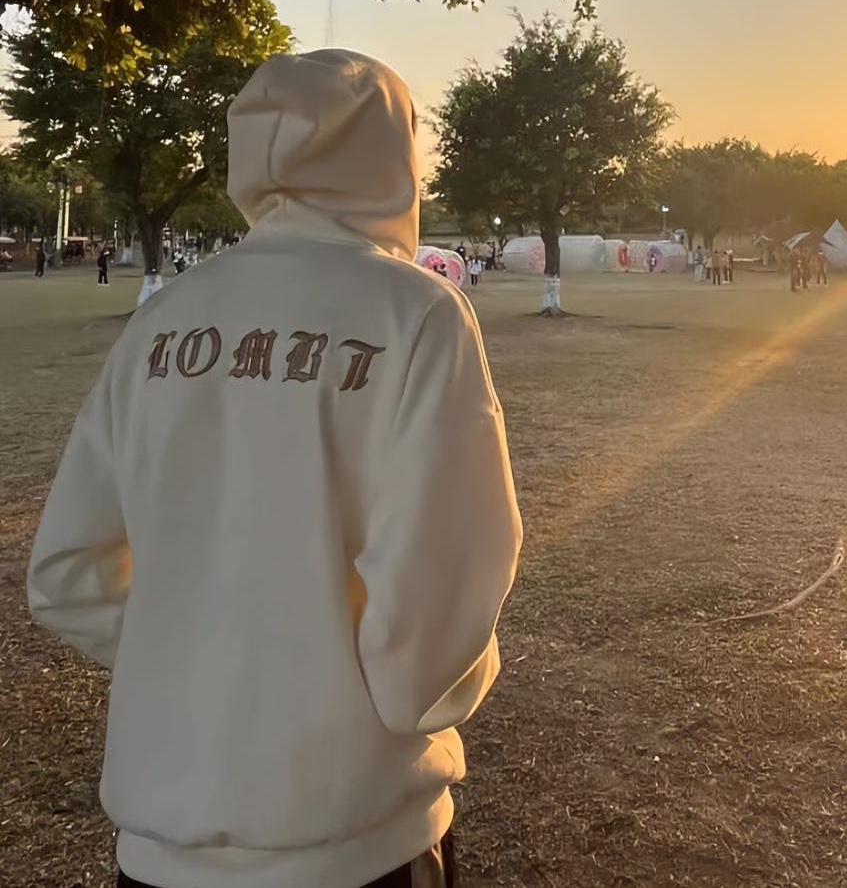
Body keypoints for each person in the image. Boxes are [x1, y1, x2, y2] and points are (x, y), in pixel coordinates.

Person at [27, 49, 522, 888]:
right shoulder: (415, 313)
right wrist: (356, 679)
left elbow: (67, 574)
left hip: (156, 850)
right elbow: (445, 581)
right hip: (356, 841)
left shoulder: (164, 318)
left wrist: (193, 653)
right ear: (390, 152)